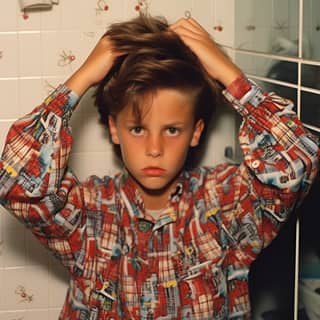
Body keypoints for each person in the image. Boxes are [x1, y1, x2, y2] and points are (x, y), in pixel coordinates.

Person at [0, 13, 319, 320]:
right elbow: (15, 183)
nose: (154, 149)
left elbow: (298, 159)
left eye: (172, 130)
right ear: (115, 129)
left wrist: (230, 76)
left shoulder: (226, 205)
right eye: (138, 129)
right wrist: (82, 78)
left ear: (195, 132)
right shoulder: (87, 214)